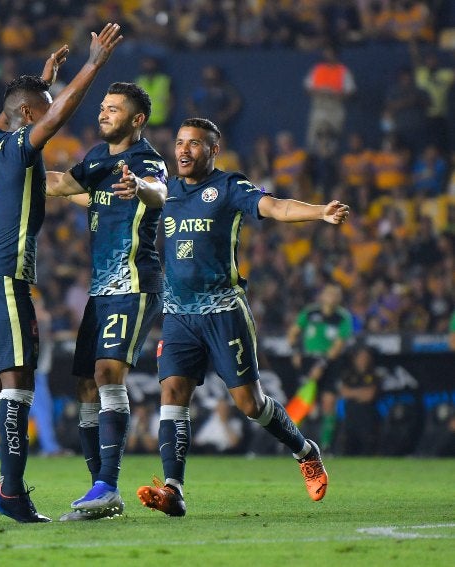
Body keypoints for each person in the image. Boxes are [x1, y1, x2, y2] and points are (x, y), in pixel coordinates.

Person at [0, 23, 124, 525]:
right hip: (6, 279)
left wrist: (41, 79)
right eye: (41, 106)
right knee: (17, 388)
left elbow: (18, 107)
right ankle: (11, 493)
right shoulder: (18, 145)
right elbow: (56, 113)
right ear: (30, 117)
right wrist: (93, 64)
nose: (48, 111)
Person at [137, 118, 349, 518]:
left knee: (249, 404)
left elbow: (276, 206)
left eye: (194, 144)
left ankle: (305, 450)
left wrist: (320, 212)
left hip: (223, 311)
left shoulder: (230, 187)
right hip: (179, 313)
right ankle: (173, 489)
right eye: (180, 143)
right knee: (172, 392)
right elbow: (137, 195)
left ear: (213, 150)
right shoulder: (166, 190)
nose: (183, 150)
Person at [43, 82, 168, 521]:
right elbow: (62, 184)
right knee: (85, 385)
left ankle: (107, 487)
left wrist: (140, 187)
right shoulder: (98, 157)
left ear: (136, 120)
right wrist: (9, 178)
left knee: (107, 372)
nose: (104, 113)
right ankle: (99, 489)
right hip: (101, 289)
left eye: (113, 109)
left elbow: (159, 192)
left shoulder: (145, 159)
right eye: (102, 107)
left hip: (134, 283)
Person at [286, 283, 353, 453]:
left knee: (329, 402)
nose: (332, 296)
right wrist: (295, 351)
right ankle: (289, 443)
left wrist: (322, 364)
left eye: (336, 293)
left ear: (340, 298)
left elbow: (338, 346)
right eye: (329, 292)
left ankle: (326, 446)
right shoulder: (310, 312)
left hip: (330, 363)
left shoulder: (343, 317)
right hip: (308, 360)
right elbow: (293, 333)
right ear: (322, 295)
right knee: (304, 401)